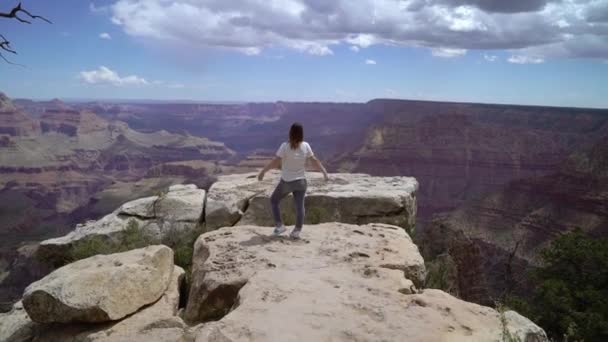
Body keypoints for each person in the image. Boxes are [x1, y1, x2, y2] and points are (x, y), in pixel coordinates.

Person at [258, 122, 329, 239]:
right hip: (301, 182)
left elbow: (275, 162)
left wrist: (263, 172)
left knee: (274, 200)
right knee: (300, 207)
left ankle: (280, 226)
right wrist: (324, 172)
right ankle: (296, 231)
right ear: (301, 134)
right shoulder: (306, 145)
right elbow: (314, 160)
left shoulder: (284, 146)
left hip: (287, 182)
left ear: (290, 133)